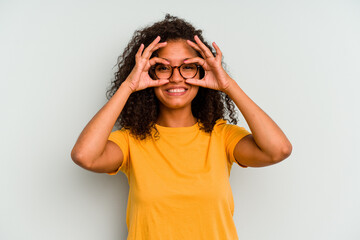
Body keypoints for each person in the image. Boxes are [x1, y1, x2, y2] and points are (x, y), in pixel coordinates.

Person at [71, 14, 292, 240]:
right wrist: (129, 86)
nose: (176, 78)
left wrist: (227, 85)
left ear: (203, 71)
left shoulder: (221, 135)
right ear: (149, 71)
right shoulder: (131, 140)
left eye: (188, 67)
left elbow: (278, 150)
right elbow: (84, 155)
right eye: (163, 68)